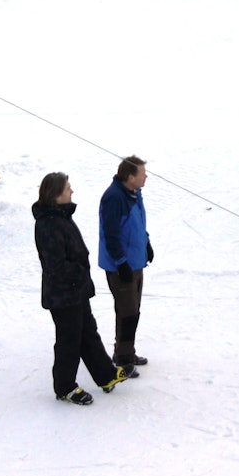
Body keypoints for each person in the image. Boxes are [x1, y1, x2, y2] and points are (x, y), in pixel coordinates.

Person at [33, 172, 134, 405]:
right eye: (68, 188)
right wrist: (79, 273)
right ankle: (65, 387)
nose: (72, 191)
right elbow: (55, 264)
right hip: (62, 294)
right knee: (69, 340)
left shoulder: (60, 216)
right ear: (56, 194)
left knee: (88, 332)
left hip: (75, 290)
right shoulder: (48, 224)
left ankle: (106, 375)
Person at [98, 155, 152, 370]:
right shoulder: (114, 198)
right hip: (122, 267)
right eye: (142, 173)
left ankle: (127, 352)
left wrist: (146, 242)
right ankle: (122, 358)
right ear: (130, 177)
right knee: (127, 312)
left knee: (133, 311)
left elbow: (137, 222)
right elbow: (111, 234)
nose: (146, 176)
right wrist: (121, 262)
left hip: (135, 262)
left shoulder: (134, 193)